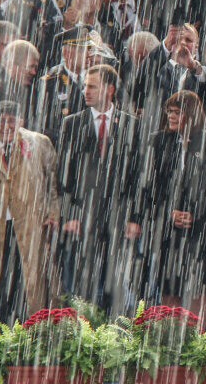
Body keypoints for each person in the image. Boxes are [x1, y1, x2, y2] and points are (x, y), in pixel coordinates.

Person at [57, 64, 141, 314]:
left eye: (92, 86)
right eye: (85, 86)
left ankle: (112, 340)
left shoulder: (131, 125)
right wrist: (69, 214)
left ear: (110, 89)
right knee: (83, 288)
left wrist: (134, 218)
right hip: (83, 219)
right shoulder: (71, 124)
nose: (85, 91)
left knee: (115, 288)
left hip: (118, 219)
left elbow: (138, 178)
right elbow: (63, 178)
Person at [0, 101, 61, 324]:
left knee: (31, 279)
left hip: (31, 222)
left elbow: (54, 181)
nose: (7, 126)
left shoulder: (39, 142)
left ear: (21, 121)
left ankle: (35, 326)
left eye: (12, 120)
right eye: (1, 121)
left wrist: (53, 213)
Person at [136, 91, 206, 324]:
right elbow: (149, 189)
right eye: (169, 111)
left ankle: (195, 351)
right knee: (169, 296)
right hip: (168, 235)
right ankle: (170, 350)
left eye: (177, 112)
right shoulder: (157, 141)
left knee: (196, 298)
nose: (171, 116)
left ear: (190, 114)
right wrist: (169, 213)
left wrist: (196, 214)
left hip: (199, 235)